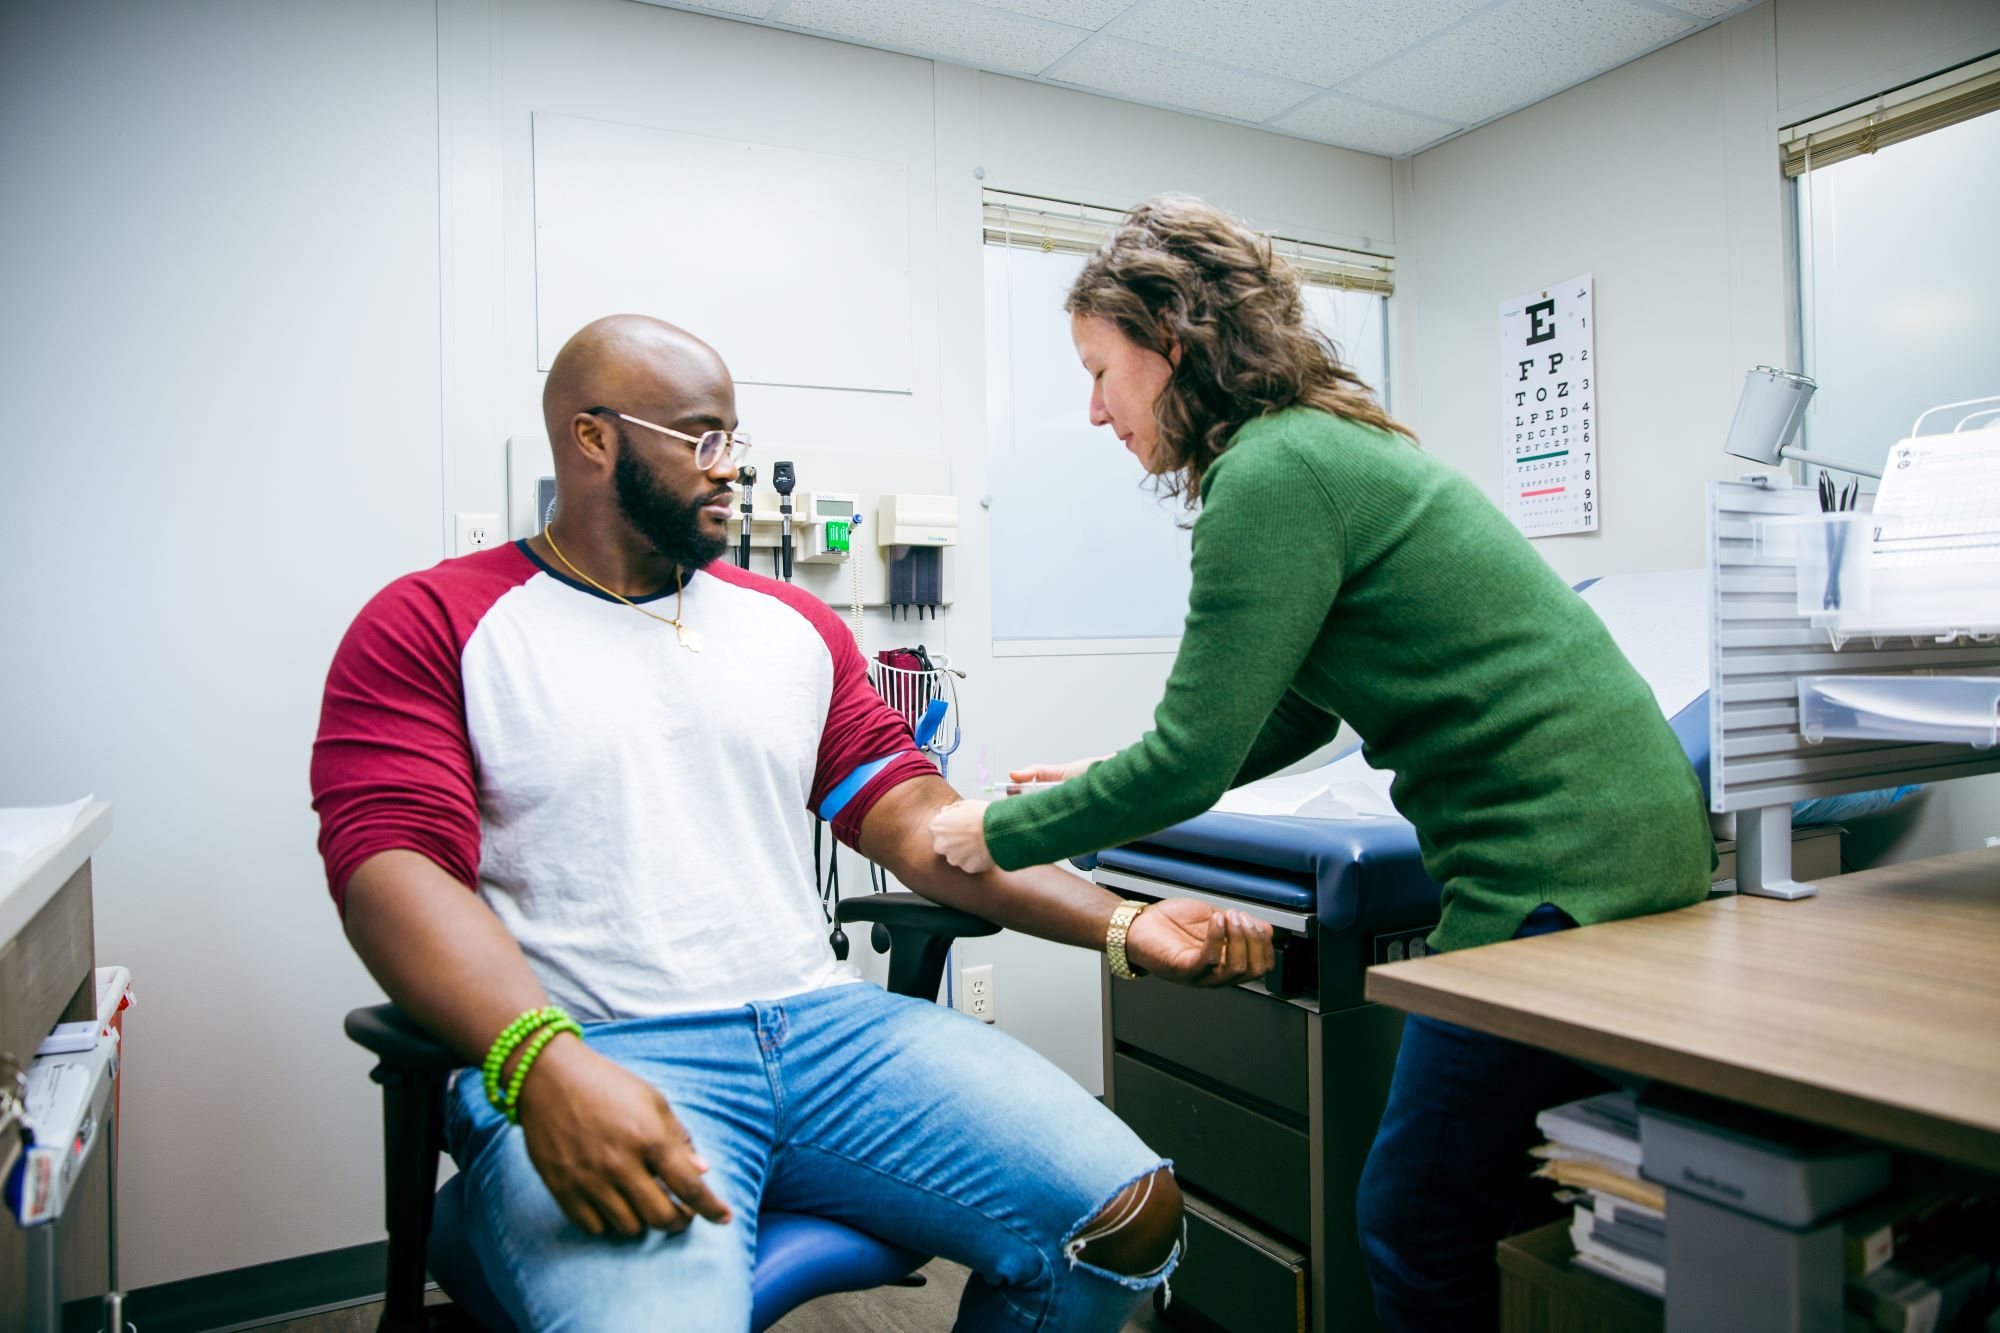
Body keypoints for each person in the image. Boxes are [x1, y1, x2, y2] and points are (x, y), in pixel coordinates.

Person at [310, 313, 1279, 1332]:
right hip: (601, 1044)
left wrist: (1119, 923)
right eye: (703, 436)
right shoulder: (433, 622)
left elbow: (923, 825)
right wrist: (540, 1063)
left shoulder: (792, 627)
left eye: (735, 433)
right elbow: (391, 869)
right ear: (593, 438)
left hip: (825, 1031)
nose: (732, 467)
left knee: (1121, 1216)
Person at [928, 197, 1713, 1332]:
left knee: (1410, 1212)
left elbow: (1189, 762)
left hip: (1553, 870)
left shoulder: (1268, 474)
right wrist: (1102, 768)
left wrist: (982, 833)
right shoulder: (1315, 446)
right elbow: (1289, 717)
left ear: (1174, 348)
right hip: (1621, 840)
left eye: (1101, 371)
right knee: (1525, 1194)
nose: (1092, 410)